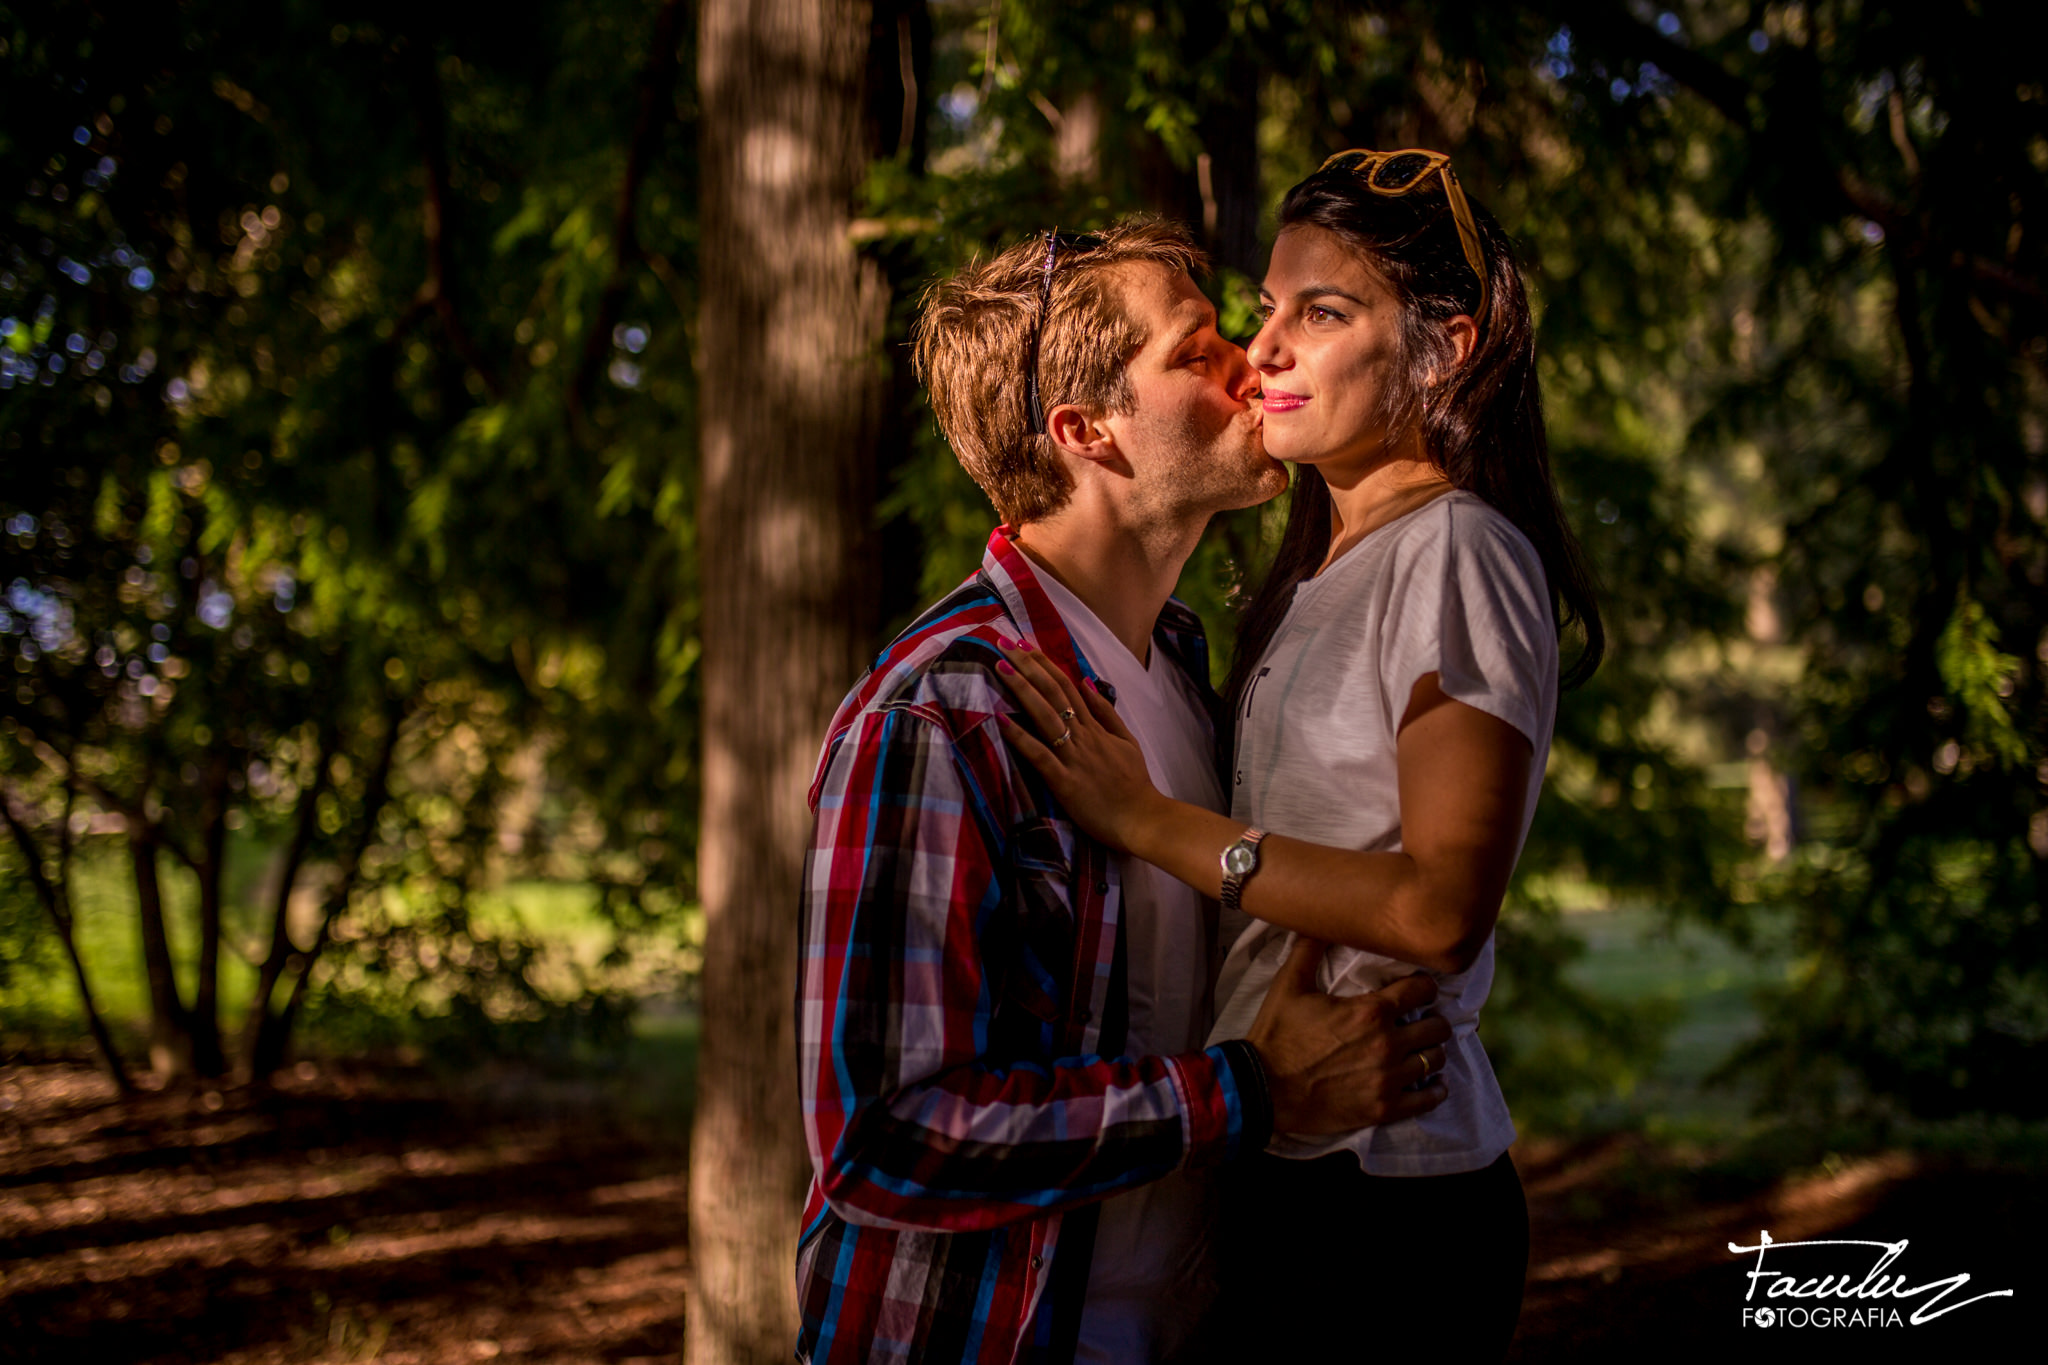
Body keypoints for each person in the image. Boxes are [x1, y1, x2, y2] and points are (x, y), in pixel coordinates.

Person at [795, 215, 1457, 1365]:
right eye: (1195, 350)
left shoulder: (1194, 675)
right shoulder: (944, 713)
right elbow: (882, 1144)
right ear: (1086, 431)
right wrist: (1243, 1092)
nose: (1252, 363)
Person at [993, 151, 1605, 1360]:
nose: (1262, 348)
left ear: (1448, 347)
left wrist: (1148, 822)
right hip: (1285, 1159)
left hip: (1382, 1200)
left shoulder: (1456, 553)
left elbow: (1438, 910)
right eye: (1266, 306)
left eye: (1320, 313)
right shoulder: (1322, 570)